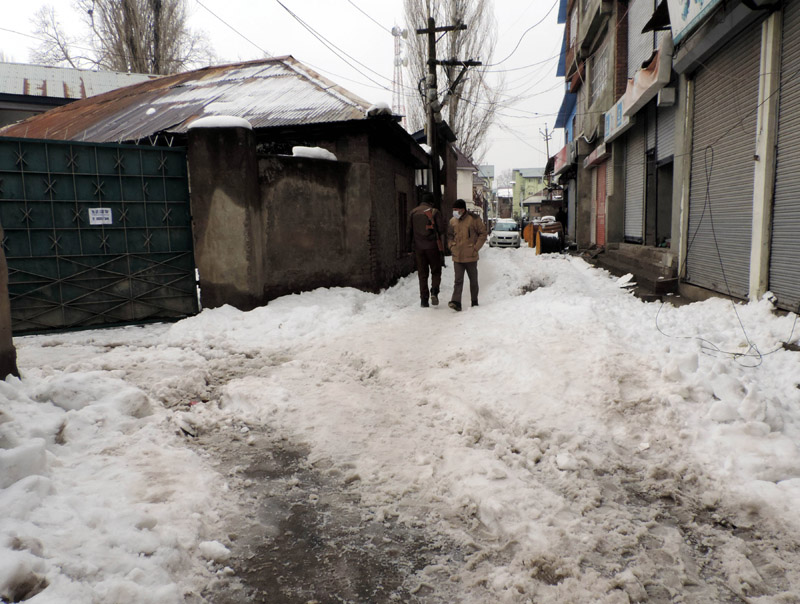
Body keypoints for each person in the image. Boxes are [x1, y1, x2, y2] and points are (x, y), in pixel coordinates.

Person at [406, 191, 446, 307]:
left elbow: (409, 231)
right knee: (436, 271)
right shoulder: (434, 212)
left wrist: (408, 247)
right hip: (433, 247)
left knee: (422, 274)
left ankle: (424, 300)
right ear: (431, 202)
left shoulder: (413, 212)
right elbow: (442, 229)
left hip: (419, 248)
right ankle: (434, 291)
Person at [447, 199, 487, 312]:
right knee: (458, 280)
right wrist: (451, 246)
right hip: (457, 256)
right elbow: (449, 236)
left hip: (471, 255)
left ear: (462, 210)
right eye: (453, 210)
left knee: (473, 280)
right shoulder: (452, 221)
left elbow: (483, 233)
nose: (454, 212)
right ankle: (456, 302)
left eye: (456, 209)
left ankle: (474, 301)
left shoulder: (474, 219)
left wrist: (475, 247)